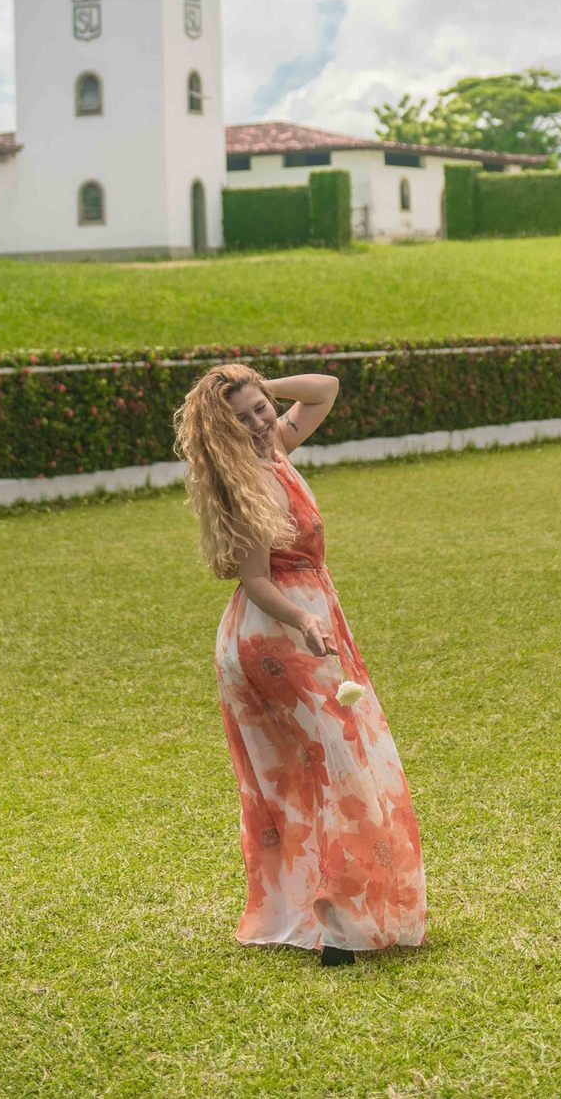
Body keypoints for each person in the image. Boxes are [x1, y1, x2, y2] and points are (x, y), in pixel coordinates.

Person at [174, 361, 427, 967]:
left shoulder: (275, 449)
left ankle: (325, 918)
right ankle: (340, 929)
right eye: (242, 419)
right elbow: (255, 579)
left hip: (299, 624)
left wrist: (260, 391)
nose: (261, 422)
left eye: (261, 409)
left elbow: (326, 390)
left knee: (310, 773)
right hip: (278, 633)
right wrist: (304, 621)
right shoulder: (250, 482)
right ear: (223, 432)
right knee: (339, 769)